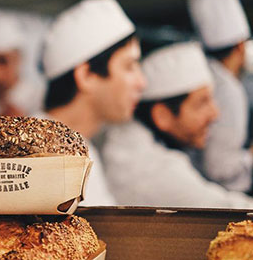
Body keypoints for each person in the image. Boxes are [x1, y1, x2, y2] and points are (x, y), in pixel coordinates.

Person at [101, 42, 253, 208]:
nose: (215, 114)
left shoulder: (147, 139)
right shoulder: (148, 168)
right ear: (163, 116)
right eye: (202, 103)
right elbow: (225, 209)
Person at [38, 0, 146, 206]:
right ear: (87, 75)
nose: (142, 82)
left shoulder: (79, 148)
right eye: (129, 66)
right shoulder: (48, 157)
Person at [188, 0, 253, 193]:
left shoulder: (204, 75)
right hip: (223, 198)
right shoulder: (228, 90)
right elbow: (219, 166)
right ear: (240, 46)